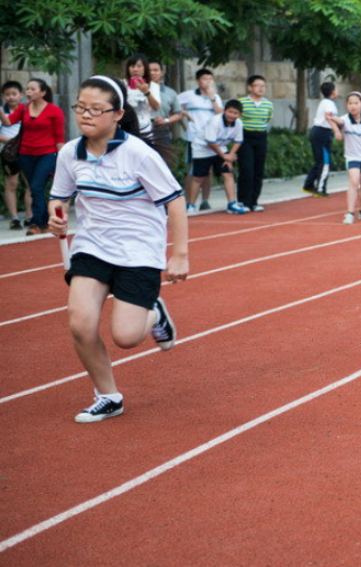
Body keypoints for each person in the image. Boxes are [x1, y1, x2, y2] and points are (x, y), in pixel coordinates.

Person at [47, 75, 188, 423]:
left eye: (96, 109)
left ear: (117, 114)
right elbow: (59, 198)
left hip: (139, 251)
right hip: (93, 246)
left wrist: (180, 253)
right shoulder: (70, 152)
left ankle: (155, 314)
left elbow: (175, 200)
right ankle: (108, 396)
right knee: (80, 324)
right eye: (81, 107)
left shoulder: (138, 155)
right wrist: (55, 218)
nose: (86, 115)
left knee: (126, 336)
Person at [0, 78, 65, 236]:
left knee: (36, 187)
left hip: (47, 154)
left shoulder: (54, 111)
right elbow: (8, 122)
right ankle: (44, 221)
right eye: (27, 89)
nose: (28, 92)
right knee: (37, 190)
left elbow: (59, 138)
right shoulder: (23, 108)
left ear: (42, 92)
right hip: (25, 155)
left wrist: (63, 161)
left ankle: (37, 223)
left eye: (32, 89)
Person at [328, 92, 361, 225]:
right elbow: (334, 120)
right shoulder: (344, 119)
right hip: (352, 157)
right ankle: (350, 213)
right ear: (346, 105)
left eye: (356, 103)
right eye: (350, 103)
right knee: (354, 180)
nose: (353, 106)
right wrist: (336, 131)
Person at [189, 99, 248, 215]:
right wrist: (225, 157)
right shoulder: (215, 121)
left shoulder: (239, 123)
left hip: (221, 149)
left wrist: (230, 156)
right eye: (230, 112)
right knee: (198, 178)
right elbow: (211, 142)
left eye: (235, 113)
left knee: (228, 173)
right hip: (202, 149)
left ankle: (232, 203)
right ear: (224, 111)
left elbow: (238, 141)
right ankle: (191, 205)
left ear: (240, 115)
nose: (232, 115)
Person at [178, 69, 223, 213]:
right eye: (205, 79)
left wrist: (212, 98)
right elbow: (174, 104)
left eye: (210, 79)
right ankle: (189, 202)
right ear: (198, 81)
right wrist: (185, 114)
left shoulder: (215, 97)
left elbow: (220, 114)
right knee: (193, 170)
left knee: (207, 171)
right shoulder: (189, 96)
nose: (208, 82)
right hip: (194, 139)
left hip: (211, 139)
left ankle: (205, 200)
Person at [238, 75, 274, 209]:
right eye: (257, 85)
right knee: (247, 169)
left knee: (258, 170)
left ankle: (254, 201)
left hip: (261, 137)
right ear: (250, 87)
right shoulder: (241, 103)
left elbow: (267, 120)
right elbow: (237, 120)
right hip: (245, 138)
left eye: (263, 86)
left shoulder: (268, 104)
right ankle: (243, 200)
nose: (261, 88)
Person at [1, 80, 31, 230]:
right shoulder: (2, 112)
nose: (11, 97)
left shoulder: (28, 110)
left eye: (14, 94)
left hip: (27, 151)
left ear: (21, 95)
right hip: (9, 154)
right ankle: (14, 218)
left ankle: (29, 217)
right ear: (3, 96)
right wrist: (14, 142)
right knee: (11, 185)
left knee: (30, 185)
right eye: (7, 94)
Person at [304, 81, 338, 198]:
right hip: (322, 132)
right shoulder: (329, 103)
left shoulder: (325, 102)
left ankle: (308, 185)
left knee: (320, 161)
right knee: (325, 162)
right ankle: (320, 188)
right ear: (333, 92)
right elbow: (329, 117)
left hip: (319, 132)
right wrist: (337, 130)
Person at [123, 54, 161, 136]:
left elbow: (156, 108)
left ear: (145, 68)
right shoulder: (122, 84)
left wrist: (146, 92)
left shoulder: (153, 86)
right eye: (132, 66)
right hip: (126, 129)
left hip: (144, 130)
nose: (135, 69)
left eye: (139, 66)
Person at [148, 60, 184, 146]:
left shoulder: (170, 93)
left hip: (161, 131)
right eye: (149, 70)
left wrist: (165, 120)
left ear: (162, 72)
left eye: (156, 70)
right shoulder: (138, 91)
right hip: (140, 129)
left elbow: (178, 113)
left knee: (163, 158)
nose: (152, 73)